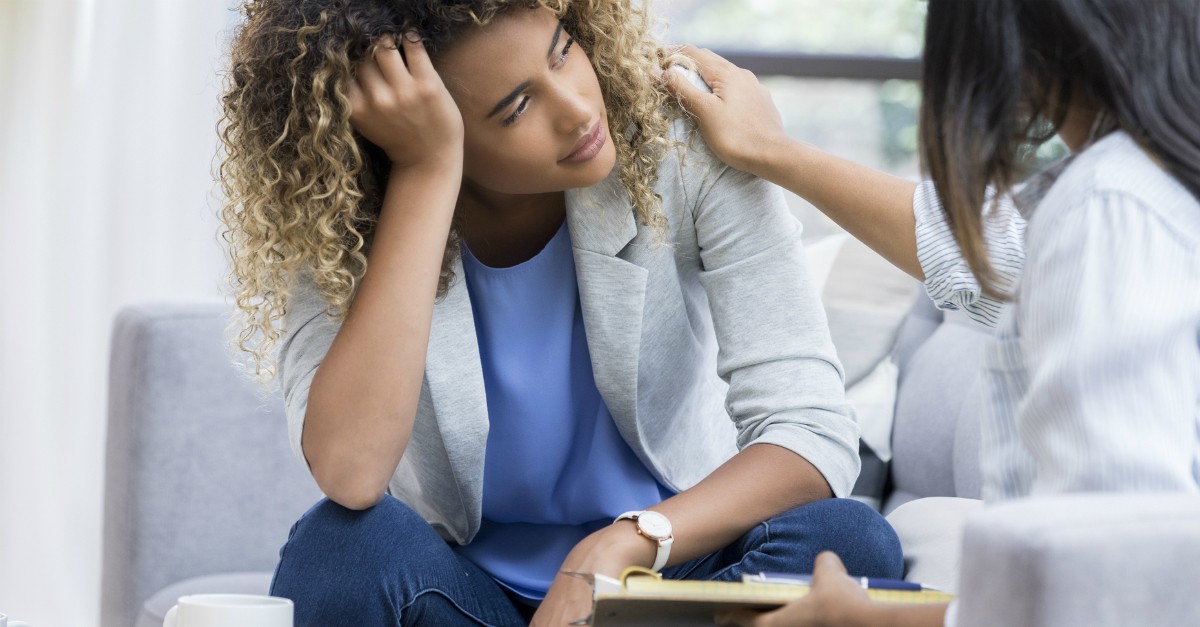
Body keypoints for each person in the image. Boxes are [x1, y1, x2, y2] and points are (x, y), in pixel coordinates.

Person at [217, 0, 904, 625]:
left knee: (846, 539)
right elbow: (351, 470)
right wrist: (427, 174)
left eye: (563, 50)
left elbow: (810, 428)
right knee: (339, 546)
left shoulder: (680, 145)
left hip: (667, 578)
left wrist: (625, 542)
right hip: (469, 600)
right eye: (515, 108)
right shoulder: (348, 217)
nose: (577, 108)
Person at [664, 0, 1200, 625]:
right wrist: (771, 151)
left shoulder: (1109, 204)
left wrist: (865, 621)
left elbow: (1113, 578)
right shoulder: (1142, 188)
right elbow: (995, 253)